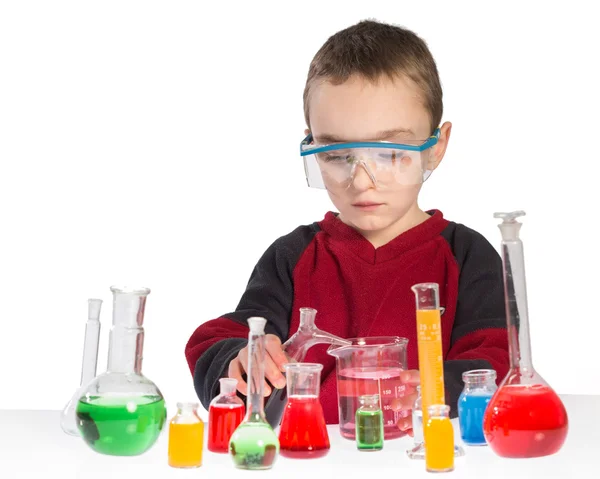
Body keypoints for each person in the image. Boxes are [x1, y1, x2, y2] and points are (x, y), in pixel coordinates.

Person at [185, 19, 509, 435]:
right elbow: (226, 338)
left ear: (436, 147)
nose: (360, 181)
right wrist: (242, 359)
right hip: (312, 459)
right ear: (313, 144)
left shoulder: (467, 256)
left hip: (425, 458)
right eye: (337, 154)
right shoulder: (293, 256)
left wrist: (436, 389)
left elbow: (498, 362)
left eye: (390, 153)